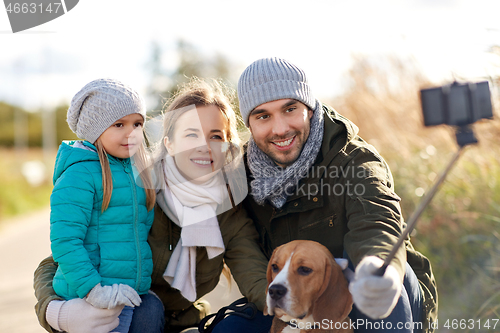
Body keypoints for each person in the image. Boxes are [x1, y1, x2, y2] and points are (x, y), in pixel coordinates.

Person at [212, 57, 437, 333]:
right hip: (291, 300)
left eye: (290, 109)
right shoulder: (240, 178)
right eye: (263, 116)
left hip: (362, 291)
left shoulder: (354, 159)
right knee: (229, 330)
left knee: (382, 289)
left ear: (308, 107)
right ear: (249, 123)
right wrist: (289, 313)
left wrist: (380, 266)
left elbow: (376, 223)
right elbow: (246, 256)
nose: (280, 128)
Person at [34, 78, 270, 333]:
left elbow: (255, 277)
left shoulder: (229, 213)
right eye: (191, 134)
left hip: (182, 322)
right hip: (119, 317)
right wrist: (56, 312)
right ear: (169, 143)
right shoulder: (141, 191)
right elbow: (56, 262)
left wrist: (292, 313)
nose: (204, 147)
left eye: (215, 136)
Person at [45, 78, 157, 333]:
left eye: (137, 124)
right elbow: (65, 241)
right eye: (119, 124)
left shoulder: (138, 172)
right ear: (96, 129)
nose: (131, 133)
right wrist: (94, 291)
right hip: (89, 300)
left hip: (127, 295)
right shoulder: (80, 174)